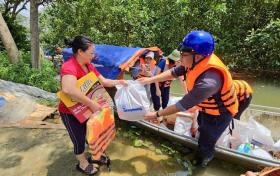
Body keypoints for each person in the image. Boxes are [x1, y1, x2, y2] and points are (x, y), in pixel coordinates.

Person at [138, 30, 239, 167]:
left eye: (183, 54)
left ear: (197, 56)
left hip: (219, 114)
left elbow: (182, 105)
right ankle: (200, 138)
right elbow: (174, 72)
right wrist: (149, 80)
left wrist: (156, 114)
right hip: (205, 106)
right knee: (200, 126)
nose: (180, 59)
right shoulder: (195, 61)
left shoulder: (209, 81)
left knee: (206, 140)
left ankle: (203, 161)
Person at [58, 36, 127, 175]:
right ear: (80, 52)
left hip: (86, 109)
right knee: (78, 138)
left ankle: (94, 155)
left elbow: (104, 81)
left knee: (91, 133)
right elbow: (68, 89)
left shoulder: (89, 66)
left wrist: (120, 83)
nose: (93, 55)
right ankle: (83, 163)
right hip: (70, 112)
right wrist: (92, 104)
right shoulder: (69, 66)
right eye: (91, 53)